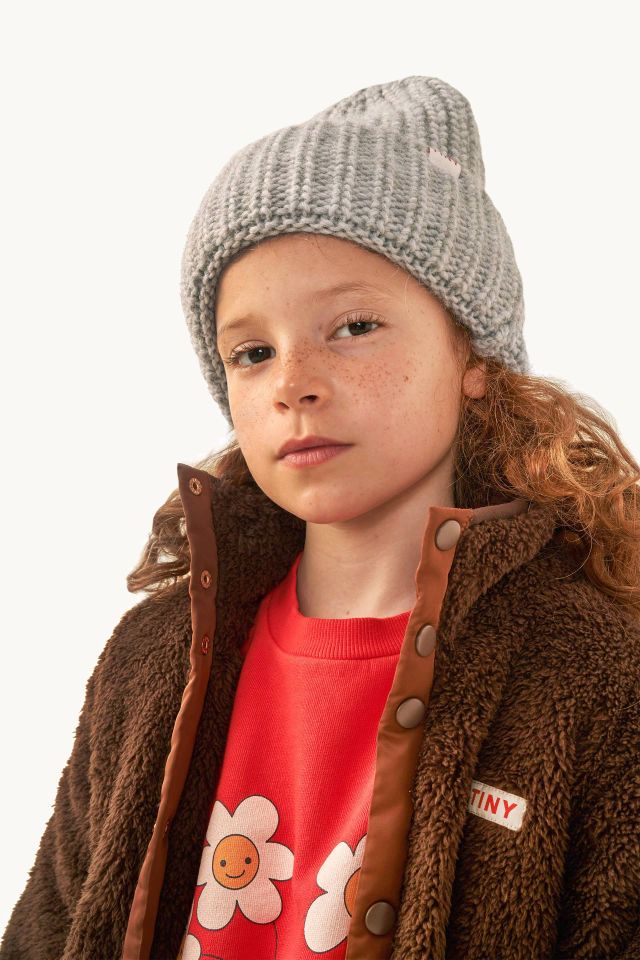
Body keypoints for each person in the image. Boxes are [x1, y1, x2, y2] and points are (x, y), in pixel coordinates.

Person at [2, 76, 639, 960]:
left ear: (472, 354)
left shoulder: (598, 673)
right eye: (252, 351)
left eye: (354, 326)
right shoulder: (151, 662)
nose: (292, 382)